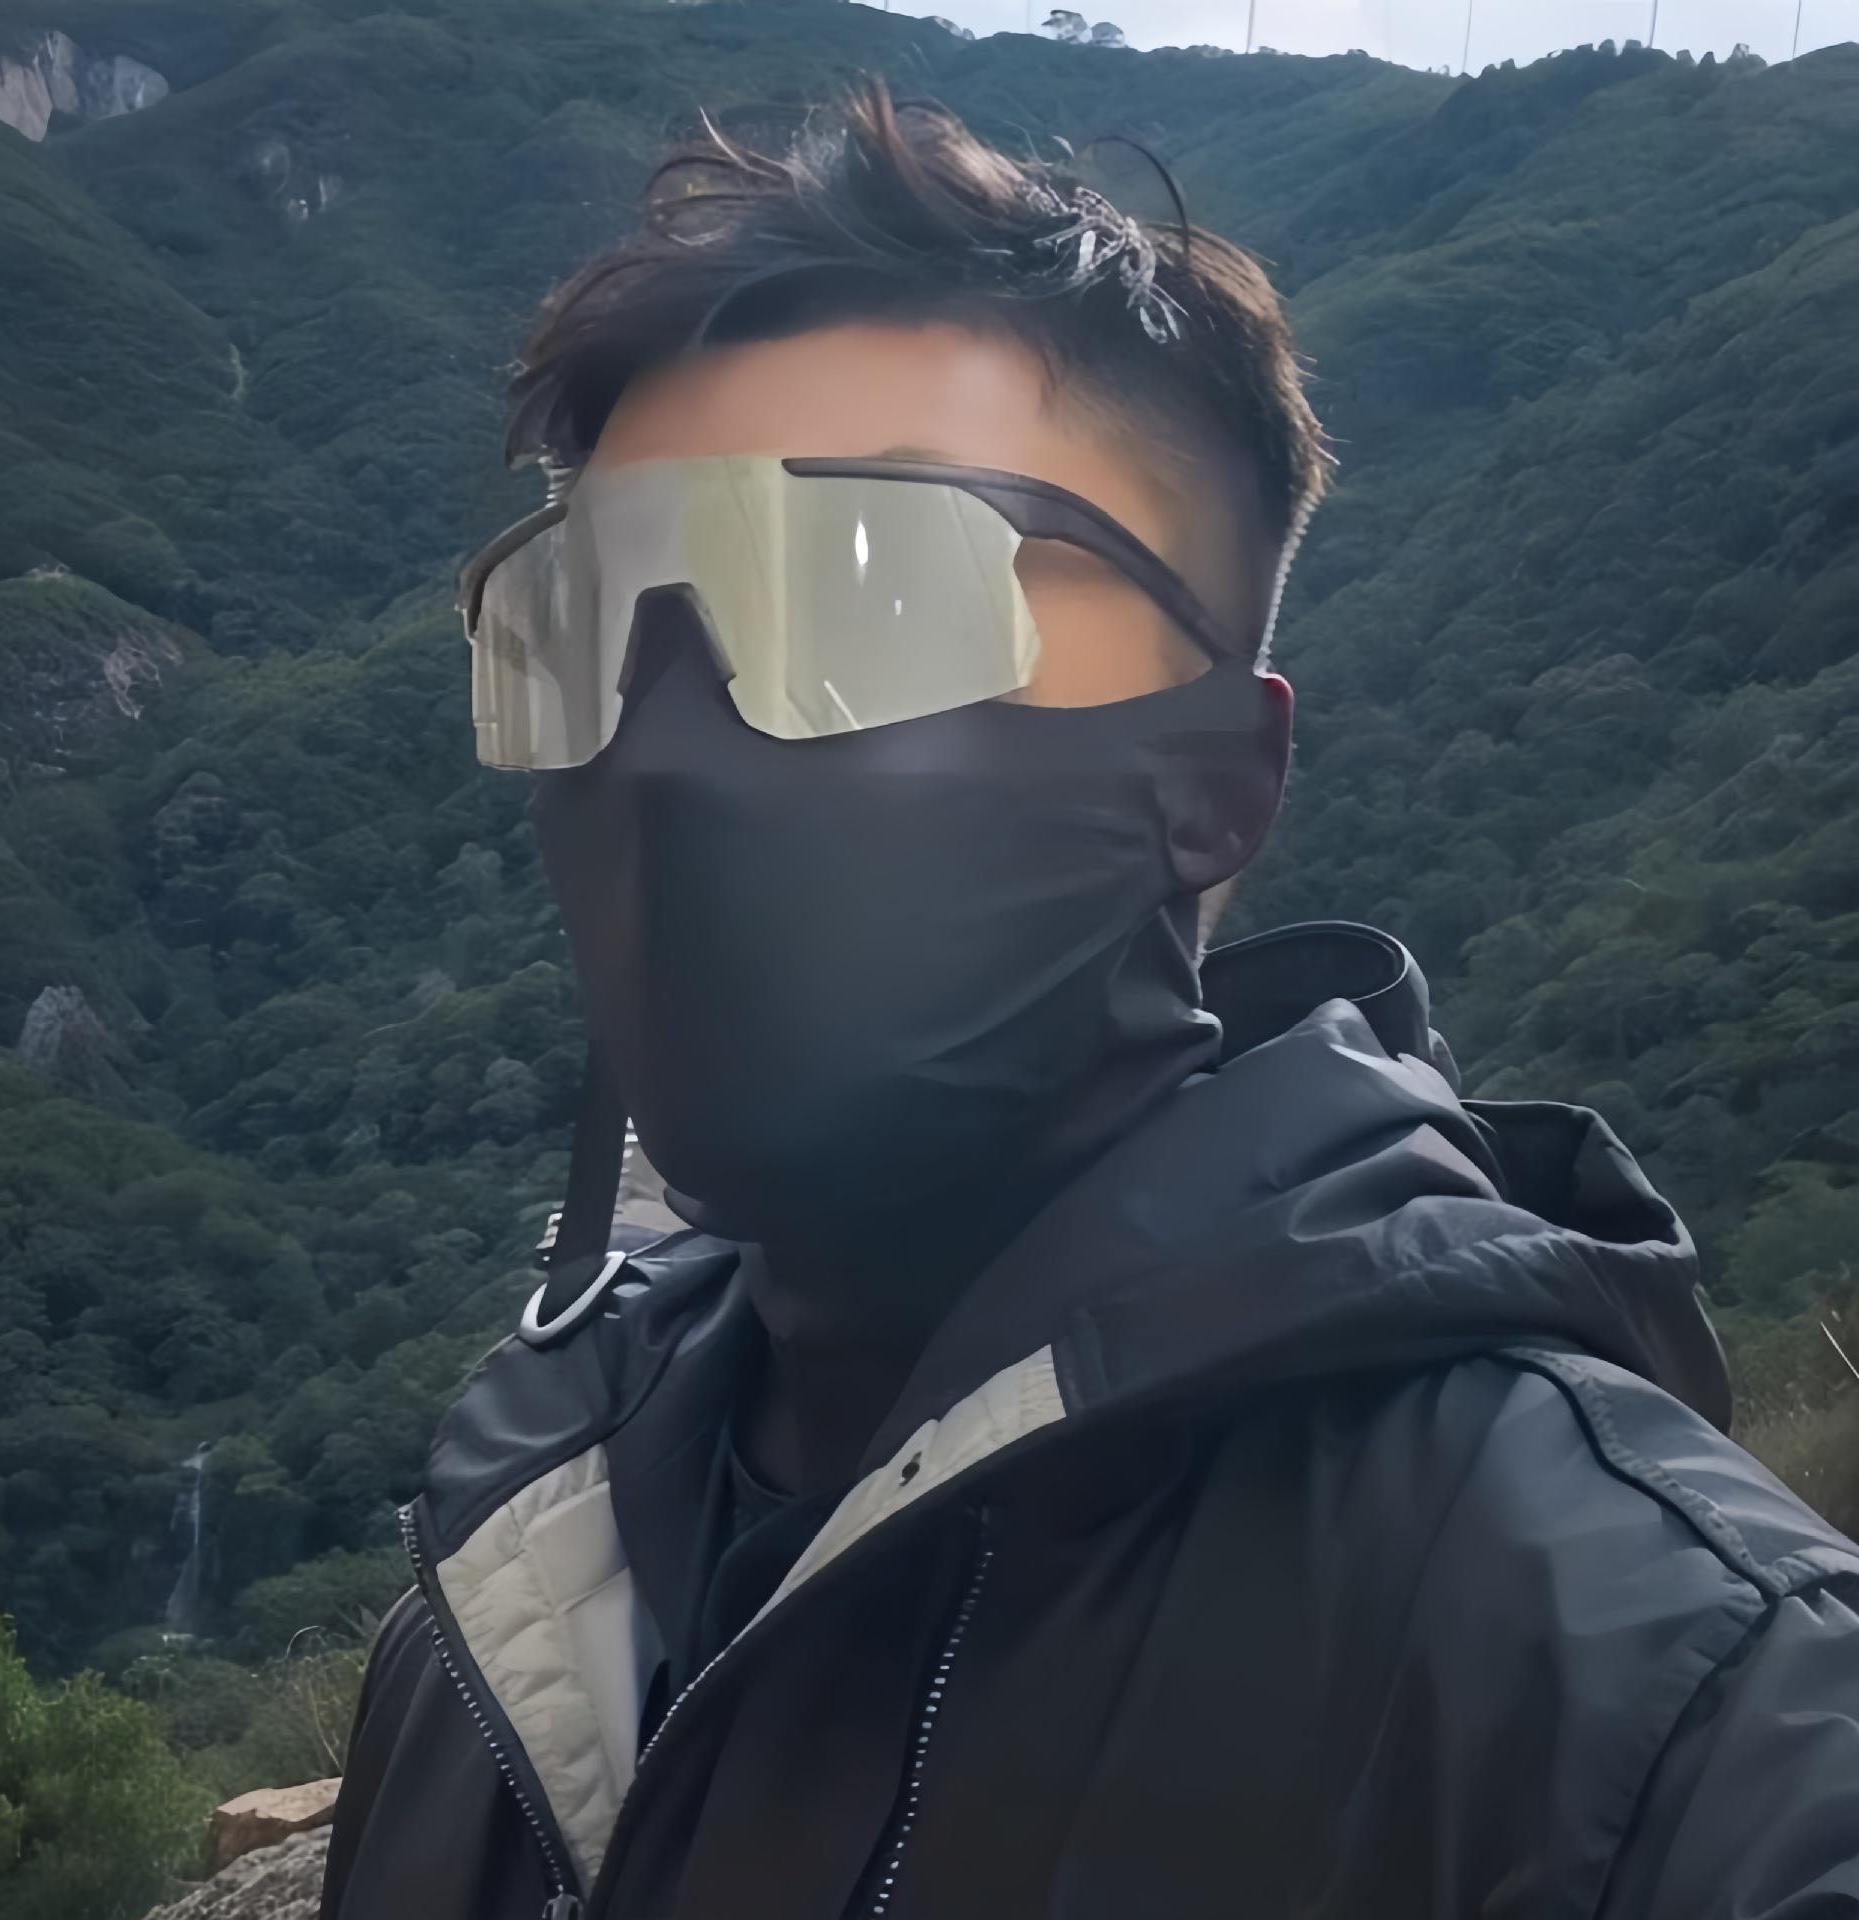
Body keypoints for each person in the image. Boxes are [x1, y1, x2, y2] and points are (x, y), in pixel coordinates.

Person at [321, 87, 1859, 1920]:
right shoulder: (497, 1609)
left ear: (1214, 777)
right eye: (579, 630)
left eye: (870, 591)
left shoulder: (1654, 1695)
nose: (666, 747)